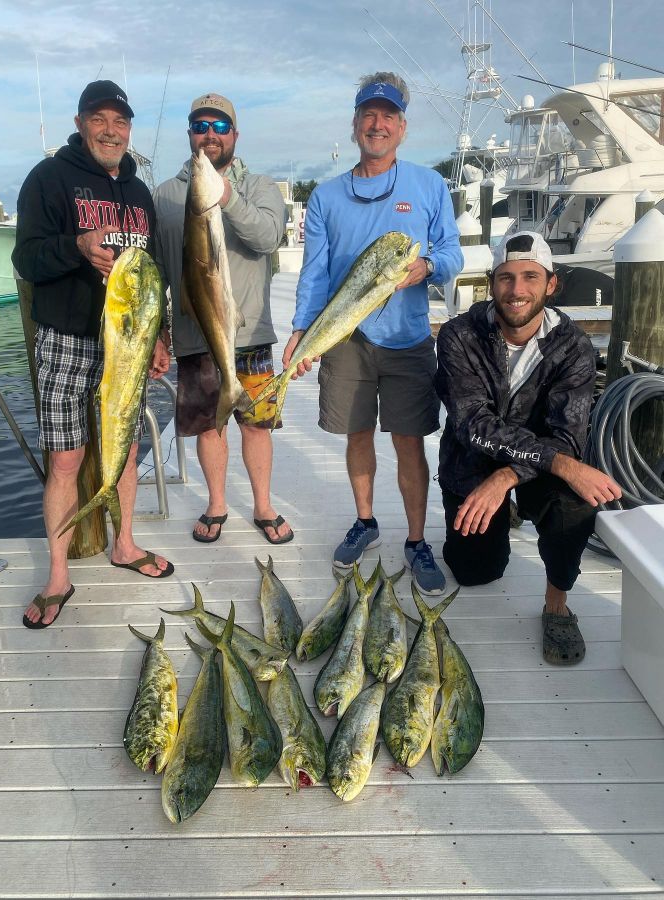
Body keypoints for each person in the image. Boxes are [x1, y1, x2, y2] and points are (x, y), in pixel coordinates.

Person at [284, 72, 463, 592]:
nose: (377, 124)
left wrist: (427, 266)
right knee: (356, 433)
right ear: (356, 124)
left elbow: (452, 252)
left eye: (388, 116)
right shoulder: (325, 196)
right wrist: (302, 330)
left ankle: (415, 540)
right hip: (346, 339)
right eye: (369, 115)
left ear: (402, 128)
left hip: (407, 336)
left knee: (409, 441)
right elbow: (314, 272)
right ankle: (365, 522)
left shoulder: (429, 185)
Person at [12, 80, 173, 629]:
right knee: (66, 460)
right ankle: (58, 575)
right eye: (99, 119)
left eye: (120, 122)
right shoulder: (49, 179)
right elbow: (27, 259)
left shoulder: (140, 192)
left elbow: (154, 277)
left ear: (129, 130)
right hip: (66, 338)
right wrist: (77, 246)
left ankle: (124, 544)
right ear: (81, 123)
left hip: (126, 343)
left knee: (124, 450)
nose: (111, 130)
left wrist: (158, 337)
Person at [434, 230, 622, 664]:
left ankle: (557, 605)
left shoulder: (573, 346)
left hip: (535, 465)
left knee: (574, 502)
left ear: (551, 284)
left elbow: (568, 434)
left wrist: (508, 476)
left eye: (530, 277)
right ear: (492, 283)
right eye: (506, 277)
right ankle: (506, 509)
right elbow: (470, 423)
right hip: (474, 458)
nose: (517, 290)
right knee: (475, 571)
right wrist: (517, 470)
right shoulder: (459, 335)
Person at [154, 93, 291, 545]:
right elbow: (155, 269)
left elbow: (268, 238)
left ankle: (264, 505)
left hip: (250, 334)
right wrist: (159, 333)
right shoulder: (166, 195)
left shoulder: (260, 187)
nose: (209, 134)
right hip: (196, 333)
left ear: (234, 135)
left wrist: (226, 196)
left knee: (257, 424)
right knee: (209, 426)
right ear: (190, 133)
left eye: (219, 126)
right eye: (200, 126)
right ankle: (216, 503)